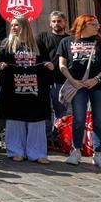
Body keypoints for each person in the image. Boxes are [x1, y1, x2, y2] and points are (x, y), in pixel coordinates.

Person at [57, 15, 101, 169]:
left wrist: (96, 79)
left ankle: (97, 153)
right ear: (83, 25)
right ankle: (76, 151)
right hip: (77, 85)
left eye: (98, 24)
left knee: (99, 120)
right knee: (78, 118)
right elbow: (62, 65)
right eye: (94, 24)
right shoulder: (66, 42)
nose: (98, 27)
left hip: (100, 86)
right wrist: (72, 81)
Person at [0, 16, 54, 164]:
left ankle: (37, 153)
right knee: (15, 120)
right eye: (12, 25)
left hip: (35, 90)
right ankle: (16, 151)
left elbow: (45, 62)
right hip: (13, 90)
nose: (14, 28)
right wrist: (1, 66)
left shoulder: (38, 45)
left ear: (25, 26)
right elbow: (0, 63)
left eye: (17, 25)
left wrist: (49, 66)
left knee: (36, 121)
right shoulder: (6, 44)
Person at [37, 11, 70, 141]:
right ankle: (46, 137)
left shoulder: (69, 40)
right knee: (45, 110)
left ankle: (58, 137)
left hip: (62, 81)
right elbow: (36, 56)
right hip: (45, 80)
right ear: (50, 23)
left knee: (61, 111)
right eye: (54, 21)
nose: (57, 23)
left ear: (65, 22)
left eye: (59, 21)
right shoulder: (42, 37)